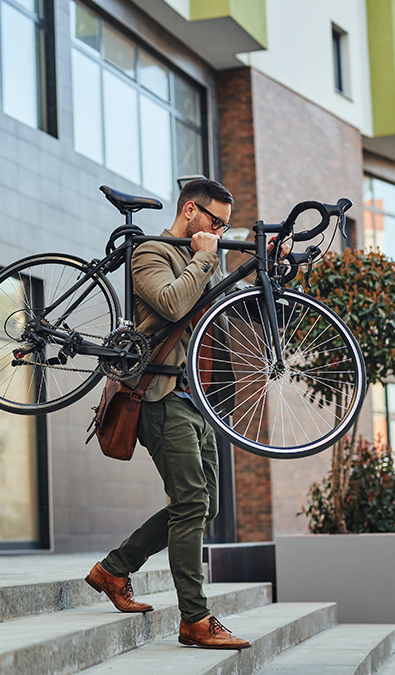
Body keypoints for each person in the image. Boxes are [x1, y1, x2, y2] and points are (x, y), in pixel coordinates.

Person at [83, 178, 251, 650]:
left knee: (204, 506)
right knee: (192, 503)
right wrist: (203, 256)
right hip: (159, 395)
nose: (219, 230)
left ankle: (114, 570)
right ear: (190, 210)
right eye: (215, 221)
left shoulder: (204, 261)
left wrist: (266, 266)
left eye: (225, 225)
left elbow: (230, 310)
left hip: (199, 402)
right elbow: (173, 301)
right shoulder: (151, 252)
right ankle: (195, 620)